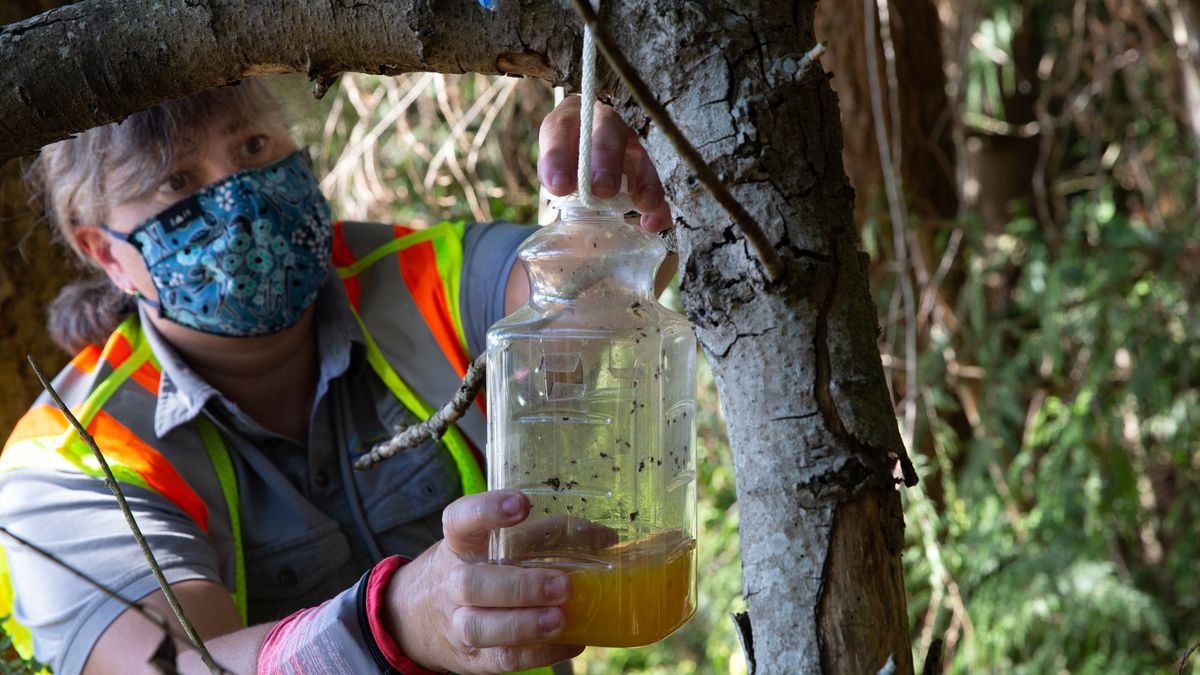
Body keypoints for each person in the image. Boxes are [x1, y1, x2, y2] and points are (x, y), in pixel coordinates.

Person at [0, 77, 674, 675]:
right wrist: (393, 625)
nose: (239, 198)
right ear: (102, 251)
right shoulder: (72, 459)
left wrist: (626, 181)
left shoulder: (421, 278)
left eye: (254, 146)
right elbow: (178, 666)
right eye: (177, 182)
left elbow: (607, 283)